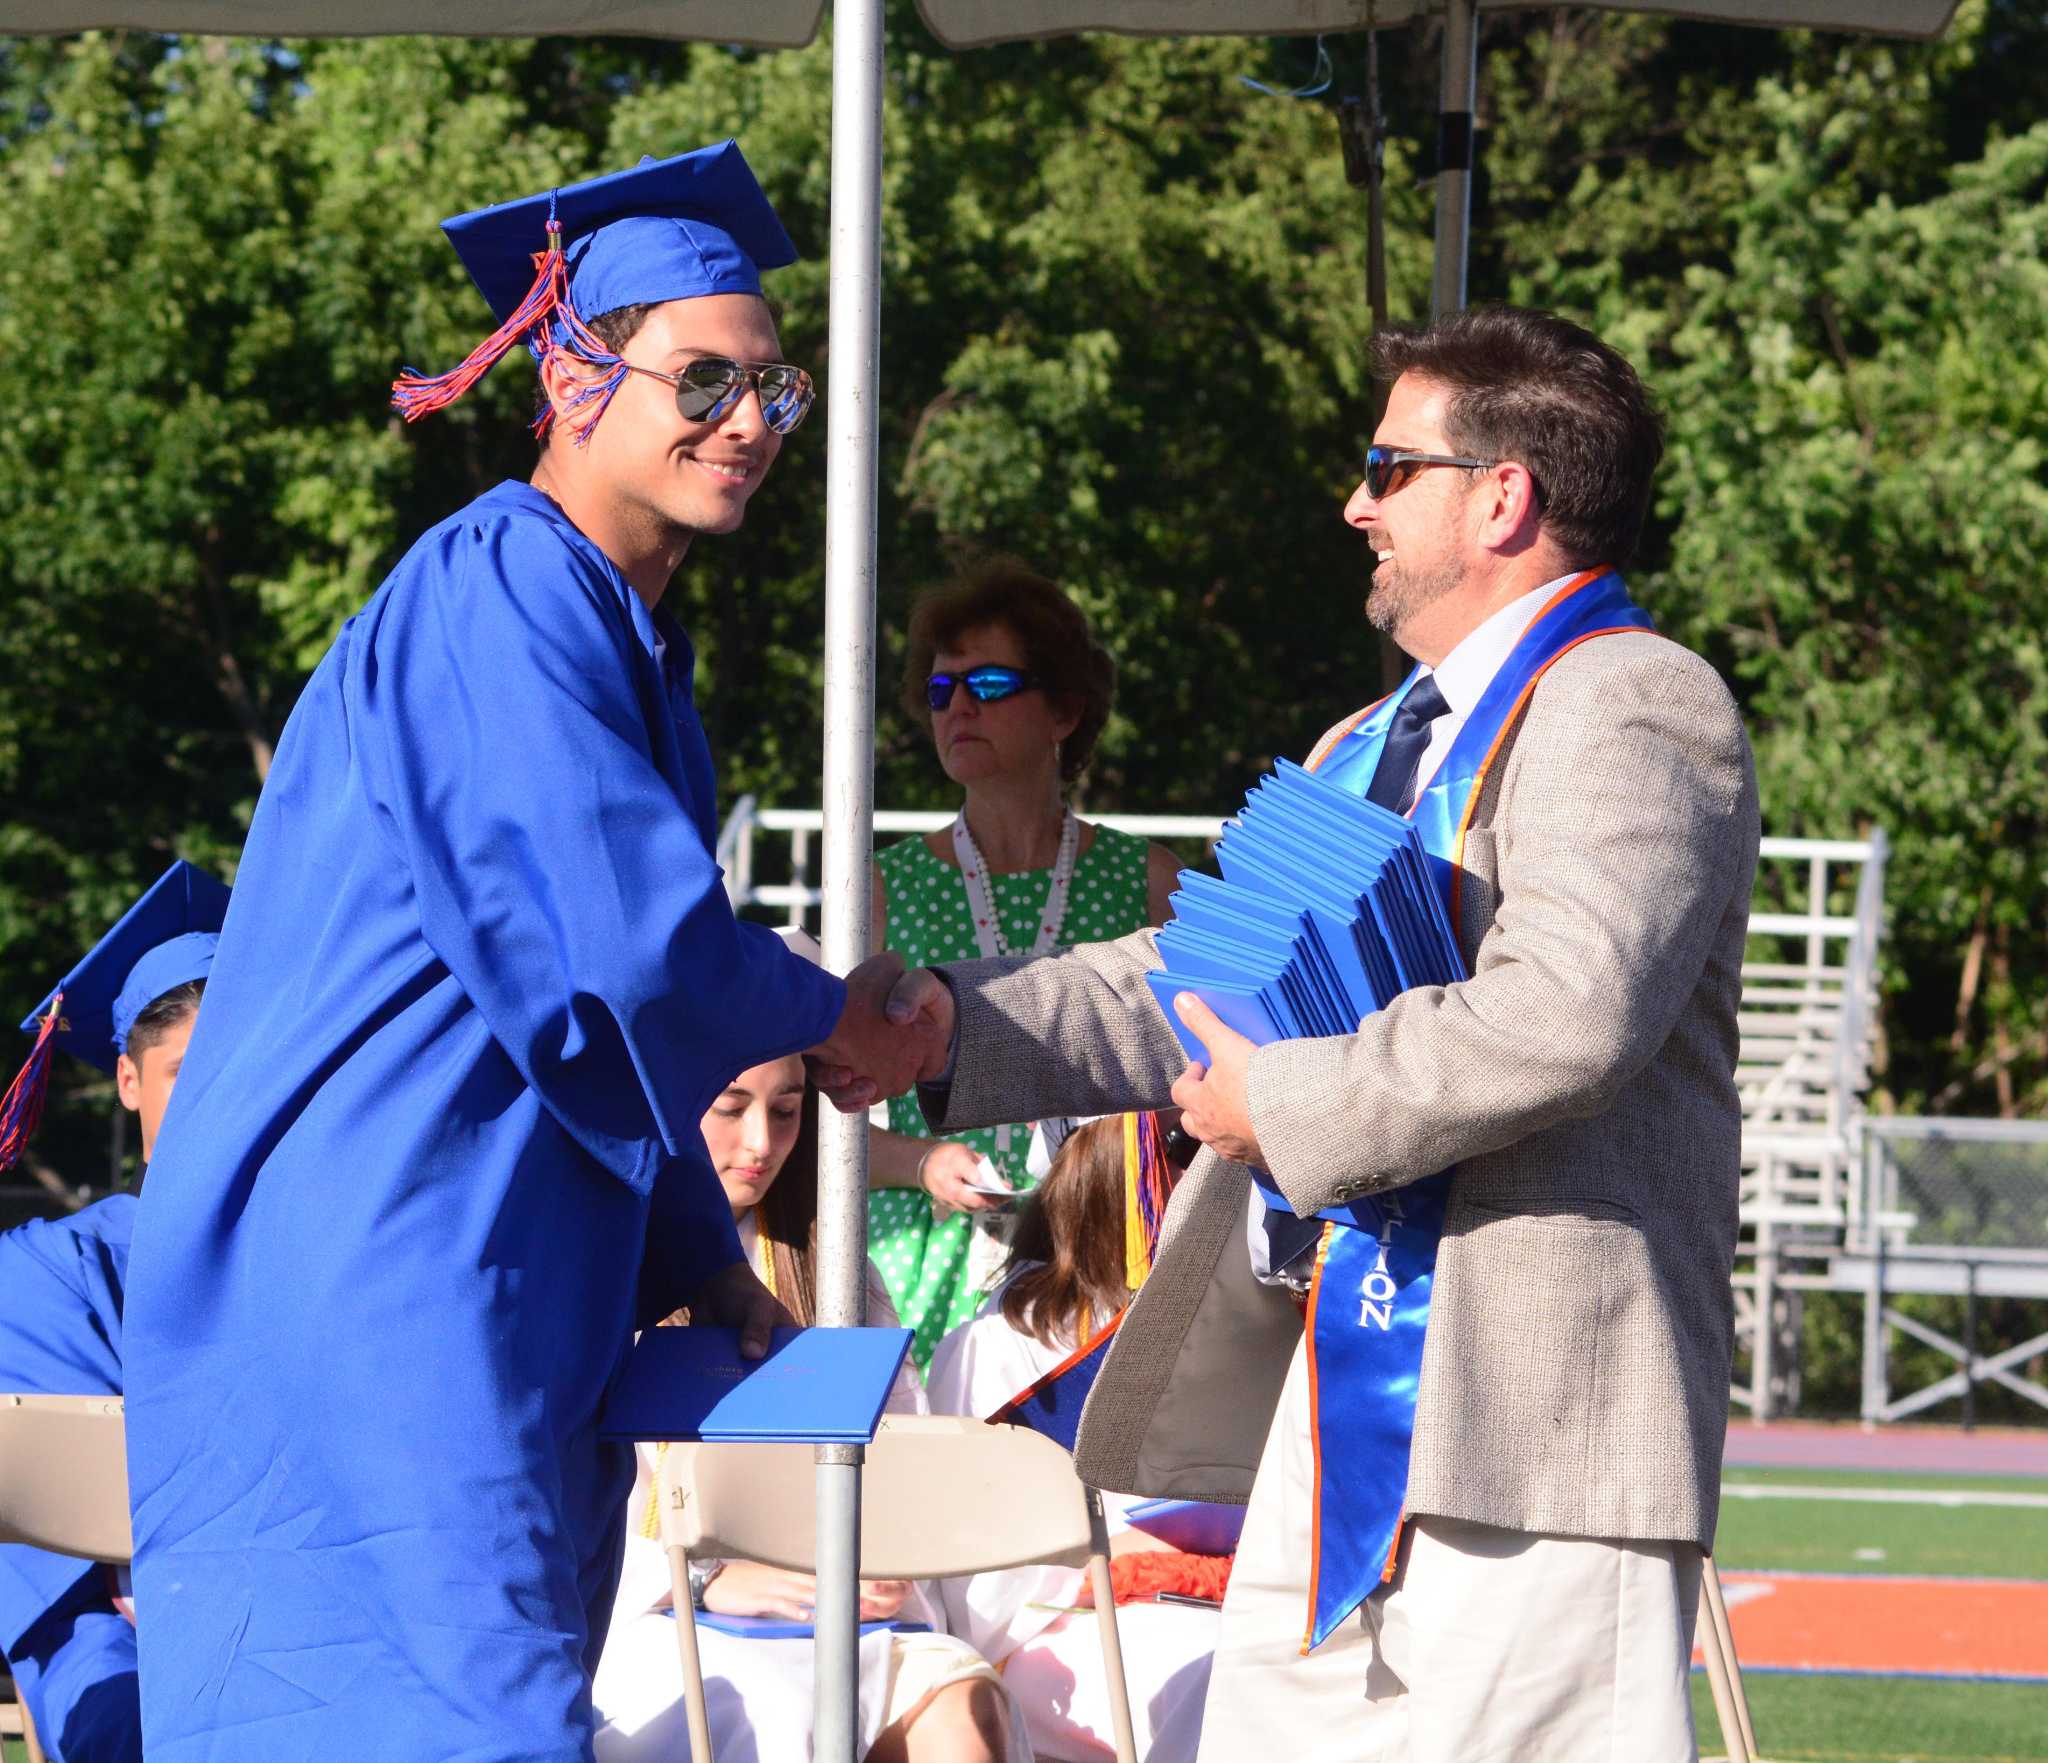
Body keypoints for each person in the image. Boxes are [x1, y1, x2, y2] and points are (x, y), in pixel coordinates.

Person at [831, 306, 1762, 1762]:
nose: (1356, 502)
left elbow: (1569, 1009)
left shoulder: (1636, 700)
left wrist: (1288, 1097)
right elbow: (1193, 977)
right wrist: (954, 1024)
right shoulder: (1370, 738)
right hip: (1323, 1426)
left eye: (1390, 467)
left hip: (1529, 1436)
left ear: (1502, 494)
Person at [121, 143, 921, 1763]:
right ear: (566, 374)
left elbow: (584, 1030)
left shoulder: (629, 646)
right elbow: (629, 947)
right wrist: (840, 1014)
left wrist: (703, 1258)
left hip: (490, 1278)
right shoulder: (498, 586)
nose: (749, 422)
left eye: (777, 390)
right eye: (702, 378)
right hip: (388, 1272)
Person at [594, 944, 1027, 1763]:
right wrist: (706, 1581)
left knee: (965, 1712)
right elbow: (587, 1498)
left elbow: (897, 1453)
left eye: (787, 1109)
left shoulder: (833, 1270)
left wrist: (893, 1561)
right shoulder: (608, 1264)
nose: (760, 1142)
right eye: (730, 1105)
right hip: (668, 1618)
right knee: (758, 1709)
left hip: (845, 1610)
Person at [868, 560, 1179, 1367]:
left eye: (991, 682)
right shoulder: (881, 887)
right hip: (922, 1273)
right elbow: (819, 1113)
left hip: (1102, 1265)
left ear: (1065, 711)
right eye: (941, 690)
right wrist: (922, 1161)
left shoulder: (1151, 881)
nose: (960, 705)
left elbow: (1196, 1080)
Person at [0, 860, 229, 1763]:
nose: (215, 1107)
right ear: (128, 1080)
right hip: (127, 1659)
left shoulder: (340, 1259)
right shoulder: (51, 1272)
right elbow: (67, 1565)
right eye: (183, 1074)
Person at [926, 1111, 1217, 1763]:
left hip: (1223, 1597)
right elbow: (979, 1601)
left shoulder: (1240, 1319)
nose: (1216, 1166)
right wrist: (1124, 1552)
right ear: (1108, 1164)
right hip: (1060, 1635)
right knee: (1218, 1680)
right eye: (1182, 1143)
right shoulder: (995, 1349)